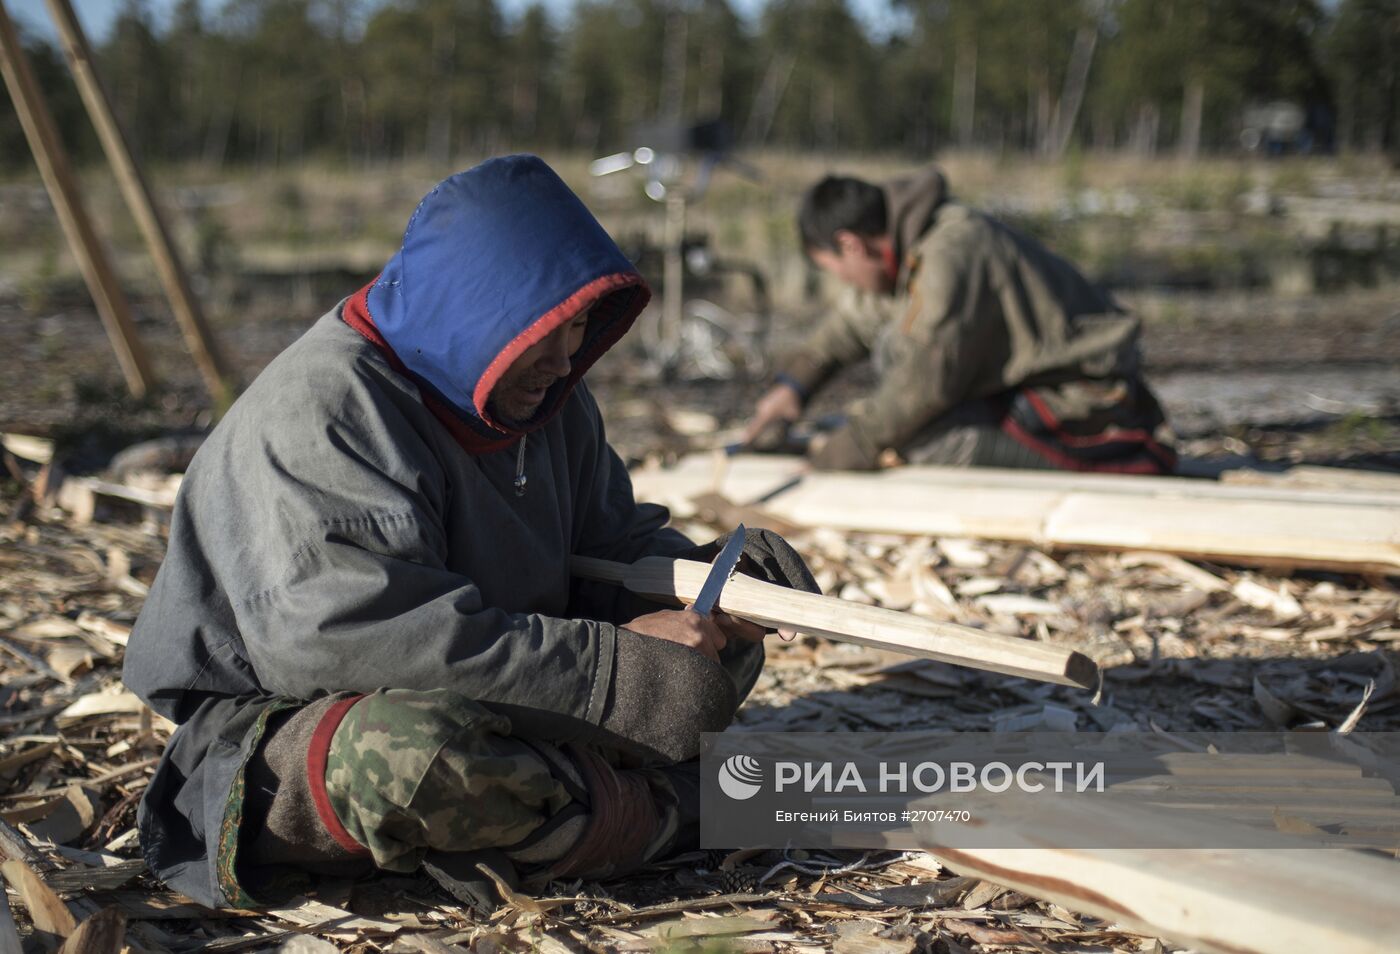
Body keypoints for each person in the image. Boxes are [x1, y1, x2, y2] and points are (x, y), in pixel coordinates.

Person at [123, 155, 816, 912]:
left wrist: (715, 583)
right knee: (416, 757)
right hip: (292, 726)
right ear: (470, 311)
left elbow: (612, 546)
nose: (564, 358)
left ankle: (578, 810)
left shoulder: (549, 399)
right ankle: (670, 810)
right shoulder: (326, 413)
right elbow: (348, 641)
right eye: (543, 330)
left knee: (708, 655)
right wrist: (611, 674)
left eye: (579, 324)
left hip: (509, 686)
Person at [743, 169, 1176, 473]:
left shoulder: (950, 252)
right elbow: (851, 324)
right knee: (888, 405)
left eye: (832, 267)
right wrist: (793, 388)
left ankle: (1103, 464)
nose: (840, 281)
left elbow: (923, 385)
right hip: (1029, 386)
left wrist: (834, 457)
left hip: (1083, 397)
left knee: (921, 437)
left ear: (851, 244)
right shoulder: (902, 247)